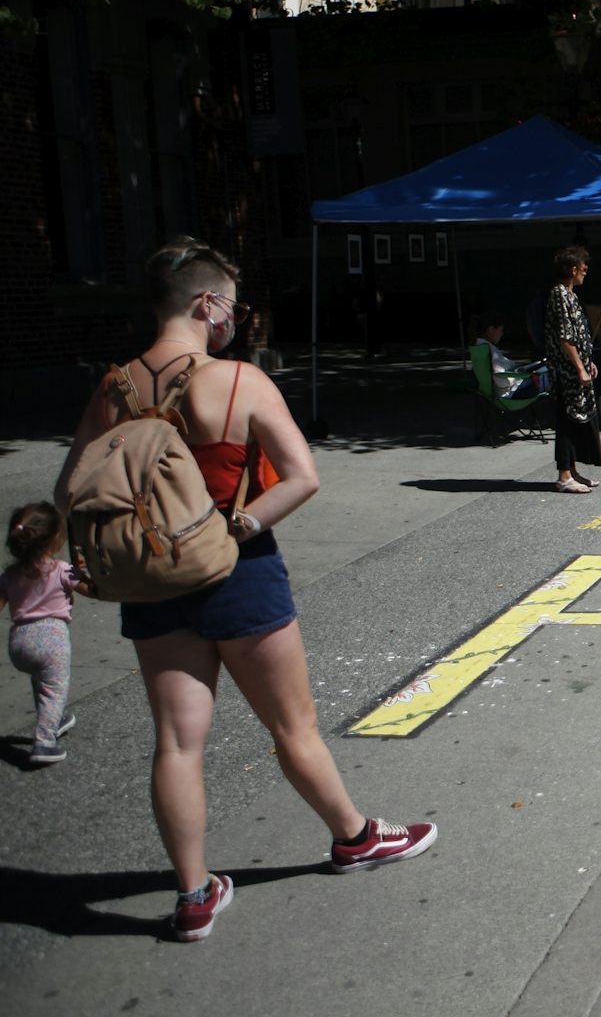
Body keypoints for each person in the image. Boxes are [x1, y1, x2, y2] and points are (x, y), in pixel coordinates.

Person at [53, 237, 436, 942]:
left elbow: (72, 487)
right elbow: (301, 476)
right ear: (206, 304)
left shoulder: (114, 390)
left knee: (176, 743)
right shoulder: (237, 382)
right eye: (229, 304)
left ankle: (194, 894)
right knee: (292, 727)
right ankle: (353, 837)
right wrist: (235, 529)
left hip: (150, 577)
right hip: (240, 567)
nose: (234, 317)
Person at [3, 502, 80, 765]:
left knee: (41, 681)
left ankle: (54, 719)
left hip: (20, 642)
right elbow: (92, 589)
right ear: (54, 540)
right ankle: (45, 744)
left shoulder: (9, 575)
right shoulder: (62, 569)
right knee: (54, 688)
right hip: (52, 639)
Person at [543, 244, 601, 493]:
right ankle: (564, 475)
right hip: (566, 372)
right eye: (581, 266)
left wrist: (587, 361)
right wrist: (579, 368)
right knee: (567, 420)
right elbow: (564, 338)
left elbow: (577, 335)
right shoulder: (559, 294)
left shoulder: (569, 294)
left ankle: (573, 470)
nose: (585, 269)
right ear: (571, 269)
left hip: (575, 368)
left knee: (577, 419)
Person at [470, 312, 539, 399]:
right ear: (491, 329)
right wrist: (518, 376)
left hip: (491, 393)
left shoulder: (478, 347)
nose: (502, 334)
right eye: (501, 330)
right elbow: (500, 379)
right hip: (508, 394)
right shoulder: (490, 350)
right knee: (542, 378)